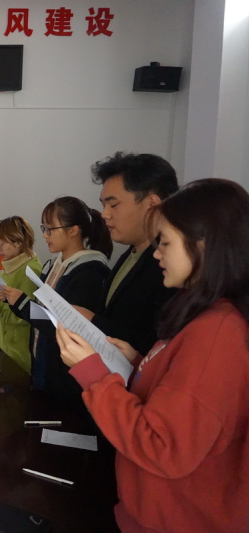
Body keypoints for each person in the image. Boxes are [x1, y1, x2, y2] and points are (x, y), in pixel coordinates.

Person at [56, 178, 249, 533]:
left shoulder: (219, 331)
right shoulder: (202, 315)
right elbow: (177, 396)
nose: (157, 253)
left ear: (205, 245)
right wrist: (135, 364)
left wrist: (94, 374)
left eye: (166, 243)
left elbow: (163, 445)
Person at [1, 197, 111, 414]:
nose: (44, 235)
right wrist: (16, 302)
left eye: (50, 229)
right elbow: (43, 315)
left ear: (73, 231)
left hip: (65, 377)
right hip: (43, 366)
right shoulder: (53, 265)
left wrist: (23, 303)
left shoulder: (89, 271)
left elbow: (68, 328)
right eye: (44, 228)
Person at [76, 152, 178, 355]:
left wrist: (93, 322)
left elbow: (160, 345)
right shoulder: (130, 253)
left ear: (153, 203)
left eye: (113, 204)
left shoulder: (171, 267)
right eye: (103, 205)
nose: (105, 214)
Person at [0, 216, 42, 373]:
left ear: (18, 241)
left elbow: (24, 315)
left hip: (18, 349)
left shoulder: (29, 270)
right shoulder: (11, 265)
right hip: (5, 342)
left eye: (1, 243)